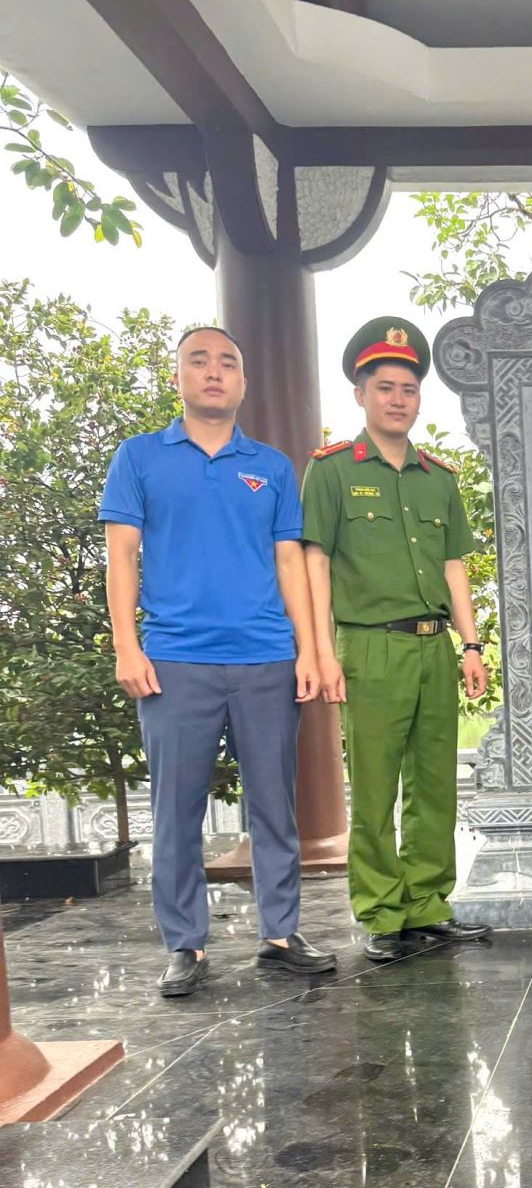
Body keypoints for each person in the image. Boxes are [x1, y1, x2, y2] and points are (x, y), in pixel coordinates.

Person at [100, 325, 337, 998]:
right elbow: (121, 554)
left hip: (266, 659)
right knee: (176, 809)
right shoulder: (139, 458)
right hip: (174, 661)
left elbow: (289, 560)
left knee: (274, 805)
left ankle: (281, 935)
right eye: (198, 360)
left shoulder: (270, 466)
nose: (213, 371)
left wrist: (307, 650)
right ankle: (185, 945)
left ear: (241, 383)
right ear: (177, 377)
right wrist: (126, 643)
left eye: (226, 362)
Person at [301, 317, 492, 962]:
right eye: (385, 387)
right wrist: (323, 652)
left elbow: (453, 567)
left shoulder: (438, 477)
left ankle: (428, 905)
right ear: (360, 394)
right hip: (370, 646)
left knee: (435, 782)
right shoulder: (329, 472)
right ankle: (383, 914)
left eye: (409, 389)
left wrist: (470, 644)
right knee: (377, 785)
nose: (398, 399)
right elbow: (315, 562)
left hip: (434, 645)